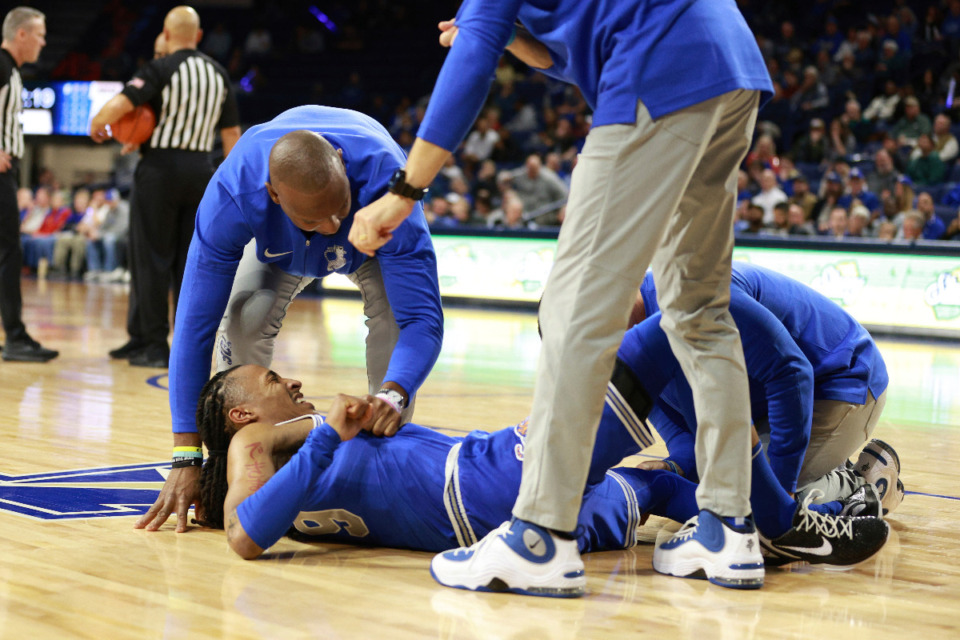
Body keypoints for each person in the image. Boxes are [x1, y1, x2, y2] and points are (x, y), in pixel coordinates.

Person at [348, 0, 773, 595]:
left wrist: (403, 190)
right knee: (699, 311)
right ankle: (730, 527)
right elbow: (579, 50)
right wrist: (511, 38)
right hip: (729, 64)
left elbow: (469, 67)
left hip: (656, 70)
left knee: (575, 312)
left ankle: (540, 534)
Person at [197, 364, 889, 574]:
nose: (286, 378)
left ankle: (779, 527)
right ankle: (792, 511)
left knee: (652, 483)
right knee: (633, 359)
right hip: (485, 487)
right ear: (238, 414)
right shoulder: (261, 448)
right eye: (266, 377)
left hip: (487, 494)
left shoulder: (286, 452)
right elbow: (243, 536)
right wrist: (313, 438)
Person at [134, 105, 444, 535]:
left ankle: (383, 456)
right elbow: (192, 328)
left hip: (372, 238)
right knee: (244, 318)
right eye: (316, 219)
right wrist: (187, 455)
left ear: (341, 163)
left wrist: (396, 394)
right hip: (281, 247)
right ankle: (247, 461)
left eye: (340, 208)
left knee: (393, 319)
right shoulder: (232, 193)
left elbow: (422, 320)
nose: (334, 225)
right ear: (273, 195)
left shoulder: (387, 182)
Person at [632, 264, 900, 514]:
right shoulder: (621, 351)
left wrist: (779, 487)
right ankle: (826, 463)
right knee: (714, 498)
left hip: (842, 379)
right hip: (780, 400)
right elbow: (686, 435)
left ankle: (860, 483)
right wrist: (674, 467)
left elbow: (793, 375)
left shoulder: (694, 296)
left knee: (754, 509)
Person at [89, 5, 241, 368]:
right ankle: (178, 347)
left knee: (152, 258)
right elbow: (232, 135)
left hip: (159, 171)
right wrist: (226, 182)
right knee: (186, 265)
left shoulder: (161, 68)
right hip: (202, 173)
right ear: (199, 36)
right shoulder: (218, 74)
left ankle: (154, 346)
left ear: (167, 35)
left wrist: (98, 123)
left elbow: (120, 104)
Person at [0, 7, 57, 362]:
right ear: (21, 34)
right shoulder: (2, 65)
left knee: (9, 253)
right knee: (9, 254)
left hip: (8, 169)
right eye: (39, 33)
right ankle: (15, 337)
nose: (43, 41)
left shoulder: (12, 71)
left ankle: (17, 333)